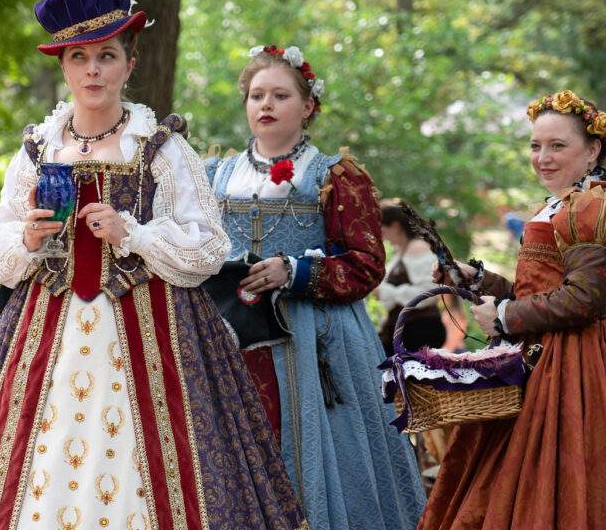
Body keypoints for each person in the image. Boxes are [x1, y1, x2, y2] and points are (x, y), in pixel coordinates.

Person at [0, 0, 307, 529]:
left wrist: (135, 235)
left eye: (107, 56)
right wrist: (29, 241)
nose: (93, 70)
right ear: (62, 65)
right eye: (79, 58)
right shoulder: (37, 151)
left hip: (157, 330)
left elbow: (210, 247)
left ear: (130, 62)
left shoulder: (163, 150)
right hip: (47, 327)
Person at [205, 45, 425, 529]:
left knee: (319, 458)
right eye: (256, 95)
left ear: (307, 107)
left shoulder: (335, 177)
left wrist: (296, 271)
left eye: (280, 95)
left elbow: (366, 264)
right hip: (232, 337)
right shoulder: (215, 175)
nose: (265, 105)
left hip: (315, 343)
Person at [419, 90, 606, 529]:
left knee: (551, 484)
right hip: (539, 359)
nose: (543, 157)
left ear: (593, 149)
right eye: (535, 145)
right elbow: (536, 288)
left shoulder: (593, 206)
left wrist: (503, 315)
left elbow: (586, 299)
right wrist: (478, 280)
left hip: (573, 367)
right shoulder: (555, 206)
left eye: (558, 146)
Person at [375, 202, 446, 356]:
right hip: (404, 329)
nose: (383, 237)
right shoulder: (400, 251)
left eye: (384, 231)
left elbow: (428, 293)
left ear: (395, 226)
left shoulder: (418, 247)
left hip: (421, 329)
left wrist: (386, 292)